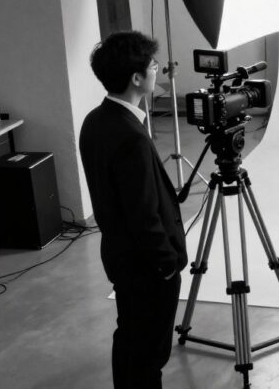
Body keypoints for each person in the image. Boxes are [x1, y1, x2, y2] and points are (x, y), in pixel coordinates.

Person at [79, 31, 187, 389]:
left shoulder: (95, 120)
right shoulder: (130, 136)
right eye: (153, 66)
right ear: (137, 78)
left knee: (128, 336)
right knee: (149, 355)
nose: (158, 71)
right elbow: (144, 214)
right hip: (146, 266)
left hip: (120, 255)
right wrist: (166, 264)